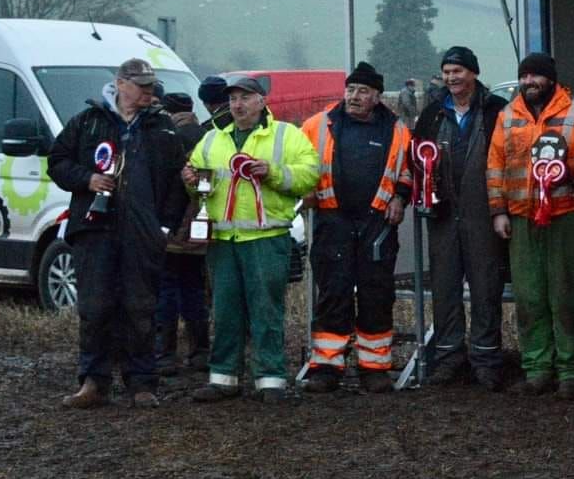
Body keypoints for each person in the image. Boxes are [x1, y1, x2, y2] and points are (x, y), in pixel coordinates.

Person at [49, 58, 186, 409]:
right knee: (95, 307)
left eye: (151, 86)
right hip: (95, 229)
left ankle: (142, 382)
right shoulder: (88, 122)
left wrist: (164, 226)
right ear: (120, 83)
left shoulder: (163, 128)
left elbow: (177, 182)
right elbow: (57, 162)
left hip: (142, 233)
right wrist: (86, 178)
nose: (148, 92)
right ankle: (94, 381)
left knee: (140, 307)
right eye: (140, 85)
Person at [184, 76, 319, 404]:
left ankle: (270, 378)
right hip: (224, 239)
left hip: (266, 237)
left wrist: (271, 171)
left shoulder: (287, 135)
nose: (238, 105)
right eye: (233, 99)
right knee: (225, 309)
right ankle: (223, 378)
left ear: (262, 100)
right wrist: (189, 178)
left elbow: (310, 174)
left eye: (245, 98)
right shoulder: (213, 138)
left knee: (266, 310)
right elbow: (197, 179)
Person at [487, 53, 574, 400]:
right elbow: (495, 165)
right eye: (524, 76)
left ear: (550, 79)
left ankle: (571, 372)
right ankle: (536, 370)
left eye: (536, 76)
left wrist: (570, 168)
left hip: (565, 215)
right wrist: (498, 211)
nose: (528, 82)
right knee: (529, 297)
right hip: (520, 217)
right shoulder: (508, 115)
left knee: (567, 296)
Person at [299, 62, 412, 394]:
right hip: (332, 220)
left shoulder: (398, 130)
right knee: (333, 292)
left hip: (377, 222)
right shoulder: (317, 125)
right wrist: (303, 189)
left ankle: (374, 367)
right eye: (350, 89)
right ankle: (326, 366)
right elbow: (299, 163)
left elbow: (408, 170)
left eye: (363, 91)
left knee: (377, 293)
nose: (354, 96)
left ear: (377, 96)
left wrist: (400, 199)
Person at [414, 47, 508, 390]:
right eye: (447, 72)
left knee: (486, 287)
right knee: (444, 288)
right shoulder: (432, 115)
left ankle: (486, 360)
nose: (452, 78)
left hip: (483, 213)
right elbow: (416, 159)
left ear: (474, 73)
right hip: (442, 213)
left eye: (458, 71)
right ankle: (449, 358)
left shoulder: (496, 110)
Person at [154, 91, 211, 376]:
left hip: (174, 229)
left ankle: (164, 355)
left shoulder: (168, 137)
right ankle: (200, 351)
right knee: (195, 291)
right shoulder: (206, 136)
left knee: (165, 290)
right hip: (201, 230)